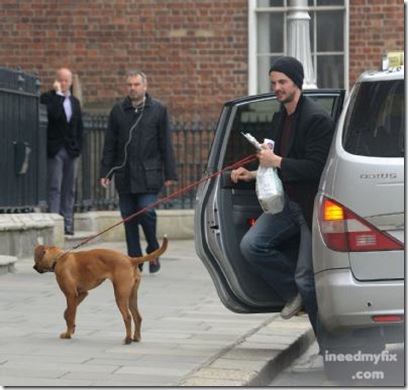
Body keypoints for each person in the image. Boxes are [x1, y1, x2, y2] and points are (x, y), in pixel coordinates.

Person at [231, 56, 335, 371]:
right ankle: (294, 294)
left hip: (308, 206)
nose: (276, 88)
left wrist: (277, 162)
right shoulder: (281, 116)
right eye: (273, 82)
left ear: (296, 83)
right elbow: (273, 160)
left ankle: (329, 350)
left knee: (308, 276)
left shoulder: (316, 119)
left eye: (282, 82)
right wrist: (250, 173)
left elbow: (317, 168)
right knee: (251, 245)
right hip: (285, 202)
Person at [100, 70, 177, 274]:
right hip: (124, 175)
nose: (132, 88)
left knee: (147, 211)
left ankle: (152, 249)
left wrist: (170, 174)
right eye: (129, 85)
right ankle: (134, 260)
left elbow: (165, 143)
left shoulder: (158, 109)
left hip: (149, 174)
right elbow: (110, 144)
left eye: (136, 84)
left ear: (145, 86)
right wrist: (105, 172)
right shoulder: (118, 111)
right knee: (129, 218)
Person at [40, 67, 84, 236]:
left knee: (69, 188)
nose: (64, 83)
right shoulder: (48, 98)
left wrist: (78, 147)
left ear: (71, 82)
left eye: (67, 80)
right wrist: (58, 95)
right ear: (56, 80)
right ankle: (55, 222)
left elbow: (79, 127)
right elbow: (53, 115)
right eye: (61, 80)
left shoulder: (74, 102)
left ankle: (67, 223)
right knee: (54, 186)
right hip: (55, 149)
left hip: (70, 150)